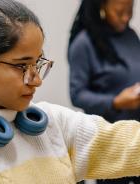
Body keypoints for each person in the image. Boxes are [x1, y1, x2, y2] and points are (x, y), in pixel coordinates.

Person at [0, 0, 140, 184]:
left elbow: (131, 144)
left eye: (37, 63)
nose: (37, 80)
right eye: (21, 65)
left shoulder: (53, 123)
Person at [67, 0, 140, 183]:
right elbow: (77, 95)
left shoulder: (131, 36)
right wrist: (115, 101)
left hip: (136, 136)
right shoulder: (84, 44)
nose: (126, 17)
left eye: (130, 9)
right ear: (102, 7)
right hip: (110, 142)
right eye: (120, 11)